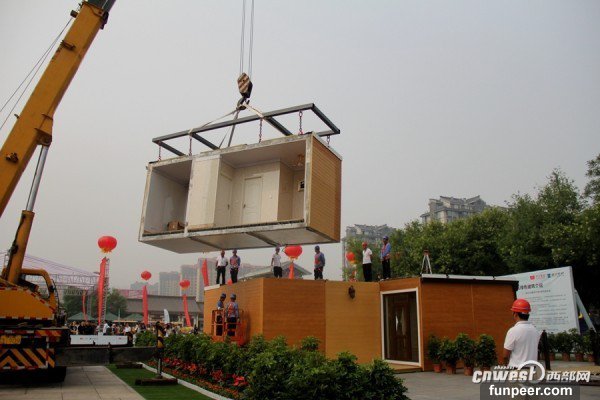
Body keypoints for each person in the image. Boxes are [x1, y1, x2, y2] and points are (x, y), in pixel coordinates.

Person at [503, 298, 541, 367]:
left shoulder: (513, 331)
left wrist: (506, 365)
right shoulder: (535, 331)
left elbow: (505, 355)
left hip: (517, 370)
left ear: (515, 314)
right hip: (532, 369)